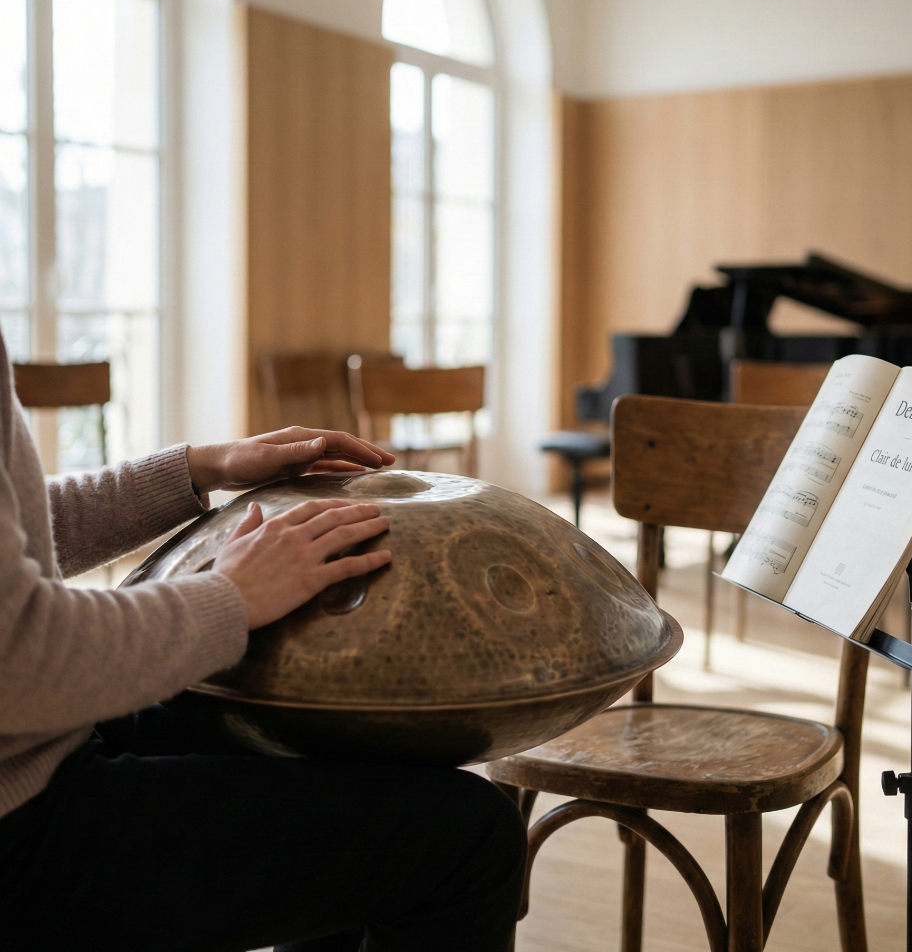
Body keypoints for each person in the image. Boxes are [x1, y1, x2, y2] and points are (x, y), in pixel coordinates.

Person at [0, 334, 526, 951]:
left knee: (335, 746)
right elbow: (19, 662)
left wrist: (198, 469)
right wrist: (232, 595)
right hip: (23, 824)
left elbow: (24, 532)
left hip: (40, 752)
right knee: (468, 838)